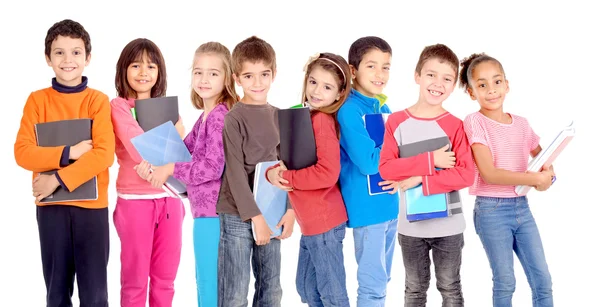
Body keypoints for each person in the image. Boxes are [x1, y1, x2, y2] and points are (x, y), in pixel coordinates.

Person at [14, 19, 115, 307]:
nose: (67, 60)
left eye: (76, 52)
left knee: (95, 295)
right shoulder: (37, 101)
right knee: (56, 292)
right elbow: (22, 152)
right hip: (52, 209)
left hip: (91, 209)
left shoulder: (97, 101)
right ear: (48, 58)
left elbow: (103, 155)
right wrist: (69, 152)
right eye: (59, 52)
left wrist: (56, 179)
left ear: (88, 58)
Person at [378, 43, 475, 307]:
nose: (438, 83)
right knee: (414, 290)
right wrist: (433, 160)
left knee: (450, 288)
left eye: (447, 78)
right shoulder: (397, 121)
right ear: (417, 75)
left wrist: (420, 178)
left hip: (449, 226)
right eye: (431, 74)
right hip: (410, 227)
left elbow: (466, 175)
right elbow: (386, 168)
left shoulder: (455, 125)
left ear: (454, 84)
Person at [459, 52, 554, 307]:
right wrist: (535, 179)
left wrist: (548, 176)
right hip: (491, 210)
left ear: (507, 84)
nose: (491, 90)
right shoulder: (474, 122)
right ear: (471, 93)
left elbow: (543, 157)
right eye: (482, 85)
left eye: (497, 81)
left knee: (543, 281)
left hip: (522, 208)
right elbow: (489, 173)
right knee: (505, 281)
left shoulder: (522, 124)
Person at [266, 52, 351, 307]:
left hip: (324, 221)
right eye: (313, 82)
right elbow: (290, 159)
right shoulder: (305, 117)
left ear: (338, 94)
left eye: (327, 87)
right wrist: (273, 172)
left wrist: (288, 176)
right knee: (307, 289)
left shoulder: (322, 121)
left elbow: (327, 173)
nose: (316, 91)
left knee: (331, 295)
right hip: (311, 223)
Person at [215, 35, 295, 307]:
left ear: (274, 74)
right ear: (237, 78)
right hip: (238, 212)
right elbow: (236, 173)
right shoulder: (233, 118)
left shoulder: (280, 116)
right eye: (249, 76)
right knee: (235, 294)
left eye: (264, 74)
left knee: (271, 291)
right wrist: (256, 218)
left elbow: (289, 168)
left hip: (272, 209)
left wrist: (291, 210)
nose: (257, 83)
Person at [110, 38, 185, 307]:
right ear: (123, 70)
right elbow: (134, 141)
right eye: (136, 65)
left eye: (151, 66)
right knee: (135, 281)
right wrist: (162, 157)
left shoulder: (167, 108)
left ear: (159, 72)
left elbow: (181, 147)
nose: (144, 72)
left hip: (171, 200)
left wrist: (159, 160)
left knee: (165, 280)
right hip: (134, 203)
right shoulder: (119, 106)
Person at [336, 36, 399, 306]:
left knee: (383, 282)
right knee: (372, 287)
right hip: (367, 210)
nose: (380, 74)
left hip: (390, 206)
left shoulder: (383, 107)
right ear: (353, 70)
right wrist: (398, 144)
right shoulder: (349, 110)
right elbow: (369, 163)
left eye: (386, 67)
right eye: (372, 66)